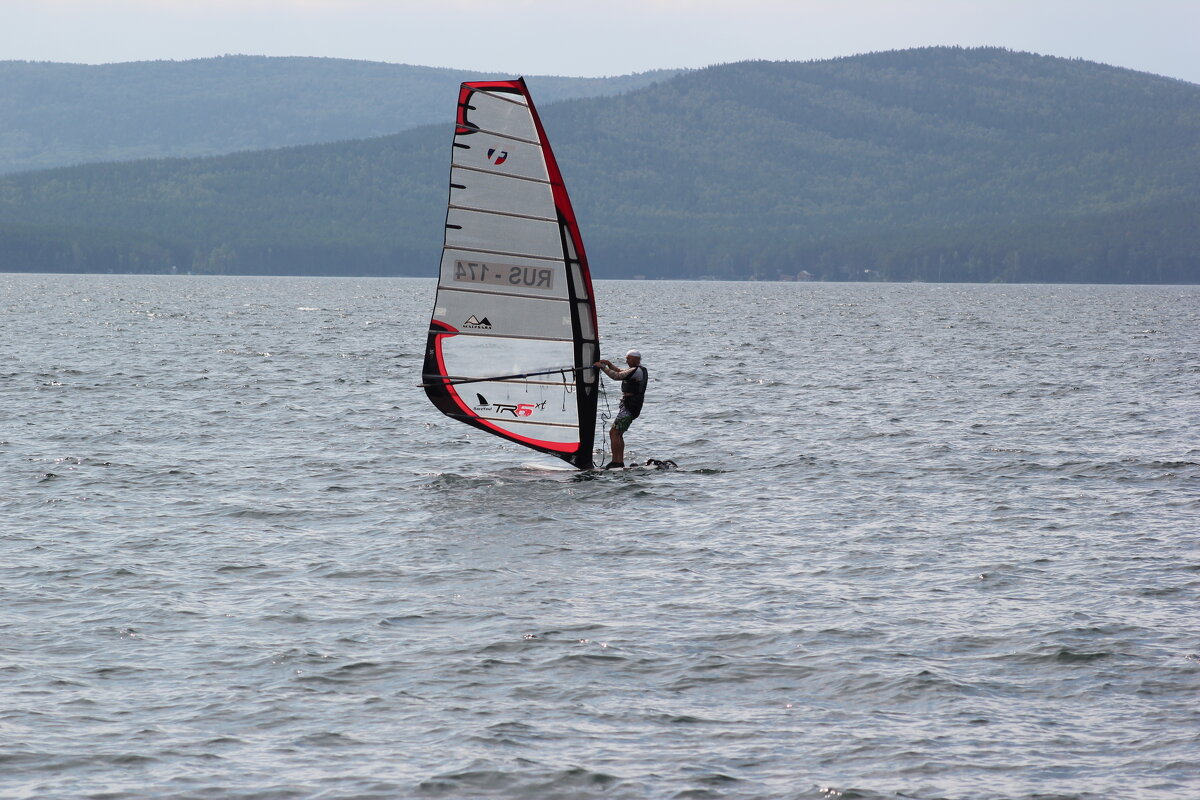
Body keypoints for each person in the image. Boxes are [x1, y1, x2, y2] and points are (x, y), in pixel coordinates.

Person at [594, 349, 648, 469]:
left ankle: (616, 462)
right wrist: (609, 364)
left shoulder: (637, 371)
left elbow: (617, 376)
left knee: (614, 433)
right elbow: (620, 371)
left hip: (630, 406)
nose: (626, 360)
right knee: (618, 434)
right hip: (631, 406)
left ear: (635, 359)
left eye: (628, 358)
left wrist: (602, 367)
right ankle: (619, 461)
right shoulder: (637, 370)